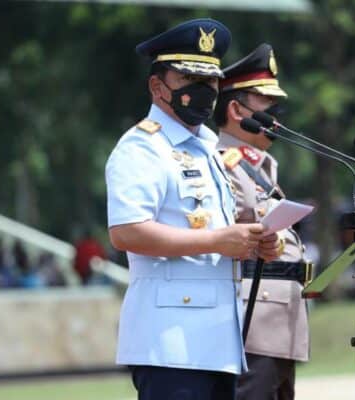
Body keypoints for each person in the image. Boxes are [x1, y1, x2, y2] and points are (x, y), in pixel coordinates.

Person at [105, 19, 281, 400]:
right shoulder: (141, 148)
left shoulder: (206, 147)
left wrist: (252, 243)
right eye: (191, 81)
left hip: (219, 342)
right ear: (157, 87)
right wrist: (219, 240)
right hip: (171, 344)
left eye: (211, 82)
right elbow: (126, 232)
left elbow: (214, 230)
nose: (205, 92)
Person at [213, 43, 311, 400]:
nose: (277, 119)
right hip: (251, 322)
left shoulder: (260, 166)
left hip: (279, 322)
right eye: (268, 107)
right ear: (237, 110)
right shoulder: (222, 163)